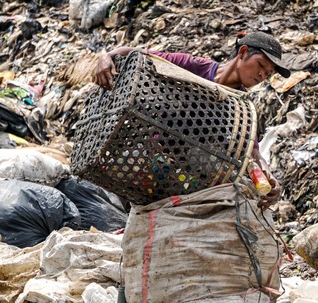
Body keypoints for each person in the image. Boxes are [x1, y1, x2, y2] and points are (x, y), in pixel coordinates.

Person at [94, 31, 289, 208]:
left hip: (183, 179)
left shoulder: (242, 108)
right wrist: (106, 57)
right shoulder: (196, 67)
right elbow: (138, 54)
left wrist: (269, 177)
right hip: (147, 156)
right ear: (243, 52)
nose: (262, 75)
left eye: (268, 73)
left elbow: (253, 152)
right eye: (261, 65)